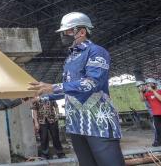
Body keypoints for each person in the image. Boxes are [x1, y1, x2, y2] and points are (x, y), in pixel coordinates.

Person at [28, 12, 125, 166]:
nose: (63, 36)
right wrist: (40, 97)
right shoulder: (70, 59)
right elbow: (70, 90)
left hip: (98, 122)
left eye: (67, 31)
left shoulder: (96, 51)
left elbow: (92, 83)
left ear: (82, 31)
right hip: (76, 124)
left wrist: (52, 87)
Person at [136, 80, 158, 146]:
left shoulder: (150, 91)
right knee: (155, 127)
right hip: (152, 113)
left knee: (157, 127)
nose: (140, 87)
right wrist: (140, 91)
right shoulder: (142, 92)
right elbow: (142, 99)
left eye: (140, 86)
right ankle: (157, 140)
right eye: (138, 87)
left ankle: (157, 141)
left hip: (157, 111)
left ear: (145, 85)